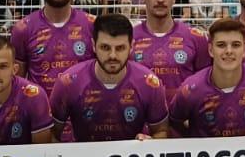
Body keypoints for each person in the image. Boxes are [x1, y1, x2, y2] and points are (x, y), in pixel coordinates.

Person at [50, 13, 170, 142]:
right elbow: (51, 134)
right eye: (105, 47)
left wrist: (151, 141)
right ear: (93, 45)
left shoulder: (149, 83)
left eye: (120, 48)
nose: (112, 55)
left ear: (131, 47)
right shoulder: (69, 82)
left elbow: (161, 131)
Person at [10, 0, 94, 96]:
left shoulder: (92, 25)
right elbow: (17, 84)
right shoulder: (22, 29)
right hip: (41, 116)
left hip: (82, 116)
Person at [131, 0, 209, 96]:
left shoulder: (196, 38)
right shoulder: (130, 38)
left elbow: (205, 84)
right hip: (142, 115)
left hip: (183, 115)